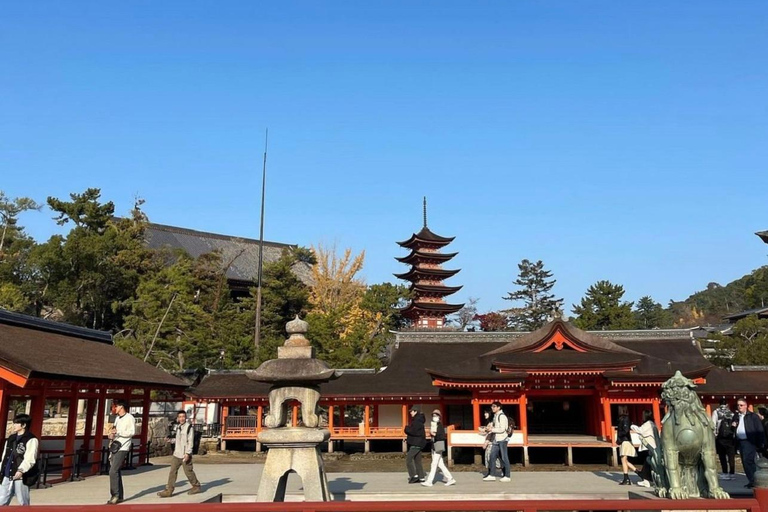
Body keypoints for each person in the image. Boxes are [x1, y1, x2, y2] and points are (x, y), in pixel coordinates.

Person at [157, 411, 202, 497]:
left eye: (183, 417)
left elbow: (190, 441)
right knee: (172, 472)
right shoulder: (178, 427)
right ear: (178, 418)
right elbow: (178, 440)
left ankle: (196, 486)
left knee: (188, 471)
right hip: (177, 453)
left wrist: (188, 453)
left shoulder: (189, 428)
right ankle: (169, 490)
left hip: (185, 454)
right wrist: (170, 440)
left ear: (186, 417)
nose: (181, 418)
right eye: (180, 417)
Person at [0, 414, 39, 506]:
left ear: (24, 425)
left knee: (23, 500)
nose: (14, 425)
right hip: (6, 473)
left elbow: (30, 458)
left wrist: (21, 470)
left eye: (17, 423)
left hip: (21, 476)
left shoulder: (31, 439)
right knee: (2, 500)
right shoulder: (11, 438)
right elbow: (5, 456)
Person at [107, 399, 136, 505]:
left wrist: (119, 432)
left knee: (112, 471)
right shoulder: (117, 418)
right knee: (116, 470)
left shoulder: (129, 418)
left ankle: (114, 494)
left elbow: (132, 432)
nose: (115, 408)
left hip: (123, 446)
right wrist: (112, 434)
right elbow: (115, 430)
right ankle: (120, 495)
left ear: (121, 407)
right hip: (115, 445)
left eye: (117, 406)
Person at [735, 398, 766, 488]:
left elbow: (759, 429)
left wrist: (761, 443)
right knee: (745, 462)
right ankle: (751, 480)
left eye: (741, 405)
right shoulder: (737, 416)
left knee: (748, 461)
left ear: (746, 406)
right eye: (738, 405)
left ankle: (754, 480)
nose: (739, 407)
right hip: (740, 442)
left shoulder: (752, 416)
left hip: (749, 441)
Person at [421, 409, 455, 487]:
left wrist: (434, 434)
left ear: (439, 417)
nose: (434, 417)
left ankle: (429, 481)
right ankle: (450, 478)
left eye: (436, 415)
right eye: (433, 416)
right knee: (441, 464)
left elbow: (441, 436)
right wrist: (432, 434)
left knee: (433, 464)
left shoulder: (440, 425)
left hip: (438, 446)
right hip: (434, 446)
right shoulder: (434, 425)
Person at [483, 401, 511, 482]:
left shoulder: (502, 416)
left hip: (502, 439)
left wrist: (492, 429)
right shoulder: (496, 416)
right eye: (492, 406)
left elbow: (503, 429)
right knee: (492, 456)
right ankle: (492, 474)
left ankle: (507, 475)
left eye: (494, 406)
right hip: (496, 439)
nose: (492, 408)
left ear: (499, 407)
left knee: (504, 457)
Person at [711, 398, 737, 480]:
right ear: (726, 404)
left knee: (722, 456)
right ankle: (732, 473)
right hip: (730, 437)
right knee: (731, 456)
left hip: (720, 437)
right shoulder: (731, 413)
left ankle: (725, 472)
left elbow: (713, 424)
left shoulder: (716, 412)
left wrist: (714, 434)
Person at [630, 410, 655, 487]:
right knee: (648, 463)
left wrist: (632, 426)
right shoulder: (652, 423)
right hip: (651, 445)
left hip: (649, 446)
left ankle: (646, 480)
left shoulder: (648, 424)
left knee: (647, 462)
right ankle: (648, 480)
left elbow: (640, 430)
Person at [404, 406, 426, 484]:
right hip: (420, 443)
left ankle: (413, 476)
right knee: (417, 460)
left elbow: (414, 431)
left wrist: (406, 429)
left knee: (408, 459)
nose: (410, 413)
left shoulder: (417, 421)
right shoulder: (419, 420)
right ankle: (421, 477)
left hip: (416, 443)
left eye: (411, 411)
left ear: (415, 411)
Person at [617, 408, 637, 485]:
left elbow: (625, 430)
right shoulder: (623, 419)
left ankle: (627, 477)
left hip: (625, 440)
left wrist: (619, 436)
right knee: (624, 460)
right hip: (624, 440)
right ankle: (636, 473)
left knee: (623, 459)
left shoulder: (625, 419)